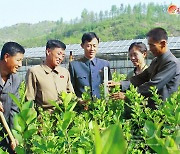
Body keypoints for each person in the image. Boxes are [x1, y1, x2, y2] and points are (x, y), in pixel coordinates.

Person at [108, 27, 180, 109]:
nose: (150, 49)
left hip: (165, 110)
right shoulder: (156, 61)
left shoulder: (171, 63)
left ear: (163, 43)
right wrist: (121, 84)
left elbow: (154, 85)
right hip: (153, 109)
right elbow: (142, 77)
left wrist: (128, 95)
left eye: (152, 45)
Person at [25, 40, 74, 112]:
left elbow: (71, 95)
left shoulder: (64, 72)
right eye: (58, 54)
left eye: (63, 56)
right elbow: (29, 100)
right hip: (45, 118)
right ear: (48, 52)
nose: (60, 58)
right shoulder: (35, 72)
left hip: (63, 116)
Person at [69, 32, 112, 99]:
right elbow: (70, 89)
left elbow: (110, 87)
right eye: (89, 46)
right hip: (82, 107)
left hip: (101, 106)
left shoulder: (105, 64)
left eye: (94, 46)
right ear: (82, 45)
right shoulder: (74, 65)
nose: (92, 49)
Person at [0, 42, 25, 153]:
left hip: (4, 133)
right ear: (6, 57)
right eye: (18, 60)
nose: (20, 65)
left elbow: (14, 111)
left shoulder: (15, 80)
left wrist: (14, 136)